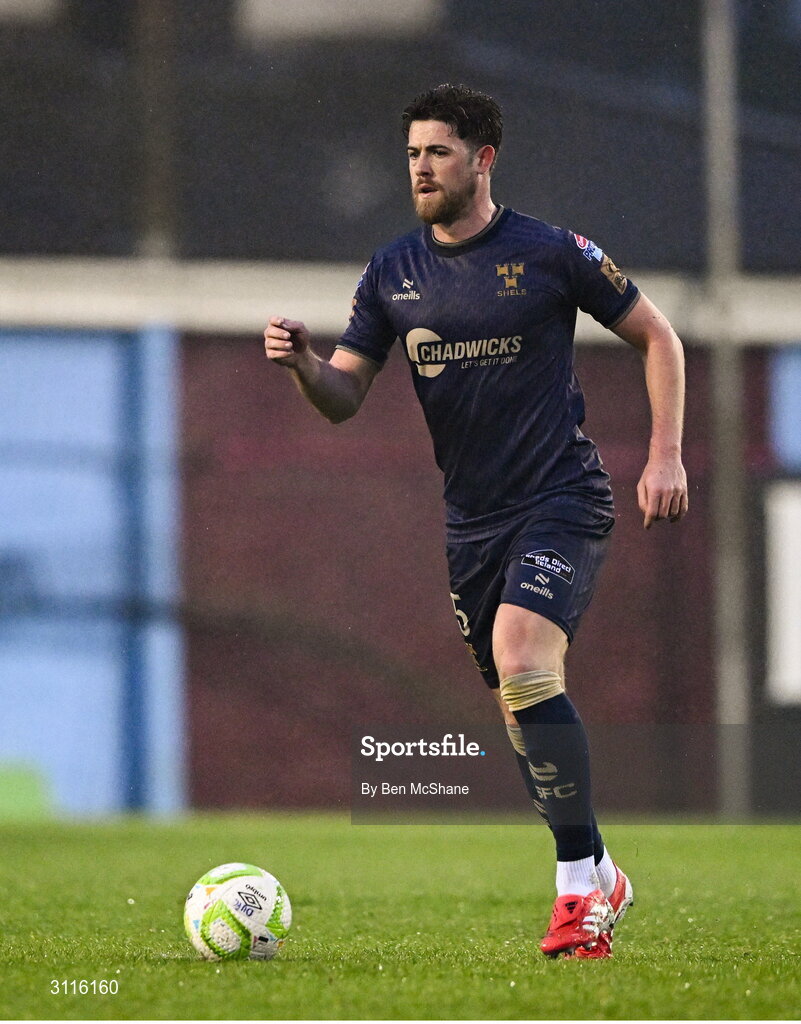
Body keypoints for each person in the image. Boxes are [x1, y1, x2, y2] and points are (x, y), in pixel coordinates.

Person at [264, 84, 688, 959]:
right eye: (412, 153)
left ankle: (577, 897)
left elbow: (659, 337)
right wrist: (307, 362)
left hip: (560, 497)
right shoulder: (391, 273)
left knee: (523, 659)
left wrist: (664, 455)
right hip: (471, 525)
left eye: (438, 152)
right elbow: (344, 396)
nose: (420, 167)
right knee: (519, 707)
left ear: (481, 159)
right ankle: (600, 866)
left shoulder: (549, 251)